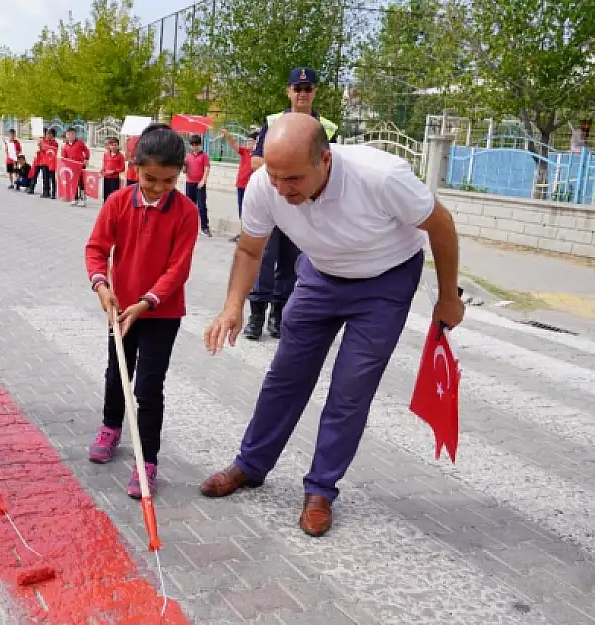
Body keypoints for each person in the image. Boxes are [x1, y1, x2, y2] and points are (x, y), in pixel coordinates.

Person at [199, 114, 464, 537]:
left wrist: (448, 297)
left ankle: (321, 488)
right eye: (275, 176)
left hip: (385, 282)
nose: (283, 189)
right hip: (321, 276)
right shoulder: (266, 186)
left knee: (350, 390)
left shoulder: (380, 176)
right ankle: (250, 465)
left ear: (325, 159)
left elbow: (441, 224)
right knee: (284, 376)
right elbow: (250, 250)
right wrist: (233, 306)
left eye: (294, 179)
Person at [84, 123, 200, 499]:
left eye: (168, 181)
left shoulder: (186, 212)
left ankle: (147, 460)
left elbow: (178, 268)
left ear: (180, 173)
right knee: (117, 372)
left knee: (149, 388)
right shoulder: (118, 202)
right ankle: (110, 426)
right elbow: (96, 249)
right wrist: (102, 285)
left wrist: (147, 301)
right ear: (135, 168)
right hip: (121, 310)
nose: (158, 188)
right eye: (151, 178)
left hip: (161, 314)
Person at [245, 67, 339, 341]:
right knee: (264, 258)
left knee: (292, 262)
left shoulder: (327, 128)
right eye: (297, 89)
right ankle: (256, 314)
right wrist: (290, 171)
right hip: (274, 203)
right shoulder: (274, 122)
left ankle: (279, 314)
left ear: (314, 92)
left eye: (307, 88)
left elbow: (332, 167)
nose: (302, 94)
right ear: (288, 91)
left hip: (306, 207)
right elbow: (256, 161)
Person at [221, 130, 258, 243]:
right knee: (242, 210)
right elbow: (233, 144)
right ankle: (242, 233)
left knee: (250, 211)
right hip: (241, 185)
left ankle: (249, 234)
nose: (248, 143)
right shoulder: (244, 152)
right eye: (248, 141)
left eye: (251, 141)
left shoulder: (259, 156)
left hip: (251, 187)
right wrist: (228, 135)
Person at [184, 135, 211, 236]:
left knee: (202, 206)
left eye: (197, 144)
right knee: (189, 206)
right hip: (189, 183)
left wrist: (203, 180)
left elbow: (206, 169)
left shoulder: (204, 156)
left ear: (200, 144)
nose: (195, 146)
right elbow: (184, 171)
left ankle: (205, 227)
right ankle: (188, 226)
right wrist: (184, 166)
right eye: (193, 144)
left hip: (200, 184)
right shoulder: (188, 156)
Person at [62, 128, 90, 206]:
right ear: (66, 136)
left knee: (81, 183)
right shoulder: (65, 146)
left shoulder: (80, 143)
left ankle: (83, 199)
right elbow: (64, 158)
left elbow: (86, 151)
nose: (71, 136)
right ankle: (74, 198)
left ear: (75, 135)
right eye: (69, 134)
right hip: (71, 168)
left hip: (80, 167)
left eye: (72, 134)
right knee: (73, 183)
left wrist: (86, 159)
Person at [36, 128, 59, 199]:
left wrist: (44, 147)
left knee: (52, 178)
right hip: (44, 162)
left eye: (49, 134)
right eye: (46, 134)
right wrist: (39, 146)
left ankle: (53, 193)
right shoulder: (43, 142)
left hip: (51, 163)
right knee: (45, 178)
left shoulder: (55, 143)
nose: (47, 135)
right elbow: (42, 151)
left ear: (53, 135)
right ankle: (46, 192)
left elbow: (52, 150)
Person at [101, 136, 124, 202]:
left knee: (114, 194)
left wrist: (114, 171)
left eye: (115, 145)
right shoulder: (106, 154)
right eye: (111, 145)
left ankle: (114, 207)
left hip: (114, 178)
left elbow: (122, 168)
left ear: (118, 146)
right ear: (109, 146)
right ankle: (106, 206)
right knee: (106, 194)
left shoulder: (120, 156)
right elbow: (104, 164)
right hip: (106, 177)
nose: (113, 147)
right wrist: (102, 170)